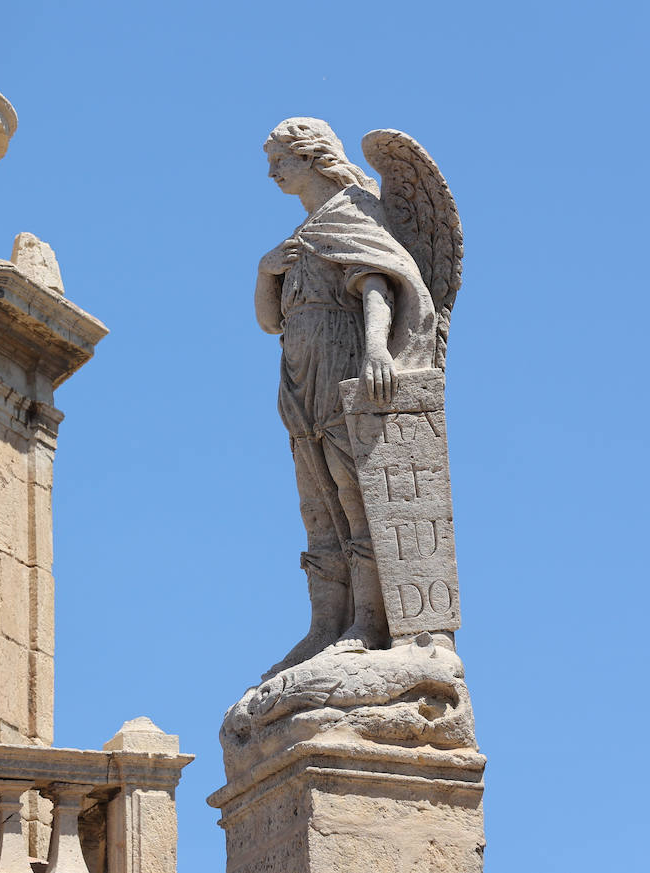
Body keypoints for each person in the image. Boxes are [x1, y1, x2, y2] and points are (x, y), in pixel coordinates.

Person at [255, 118, 437, 677]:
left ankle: (366, 624)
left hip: (343, 366)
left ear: (312, 158)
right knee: (317, 502)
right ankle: (324, 626)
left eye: (280, 158)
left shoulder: (353, 214)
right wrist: (266, 271)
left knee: (353, 493)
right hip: (299, 377)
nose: (271, 171)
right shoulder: (301, 235)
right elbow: (268, 321)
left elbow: (380, 281)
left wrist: (379, 350)